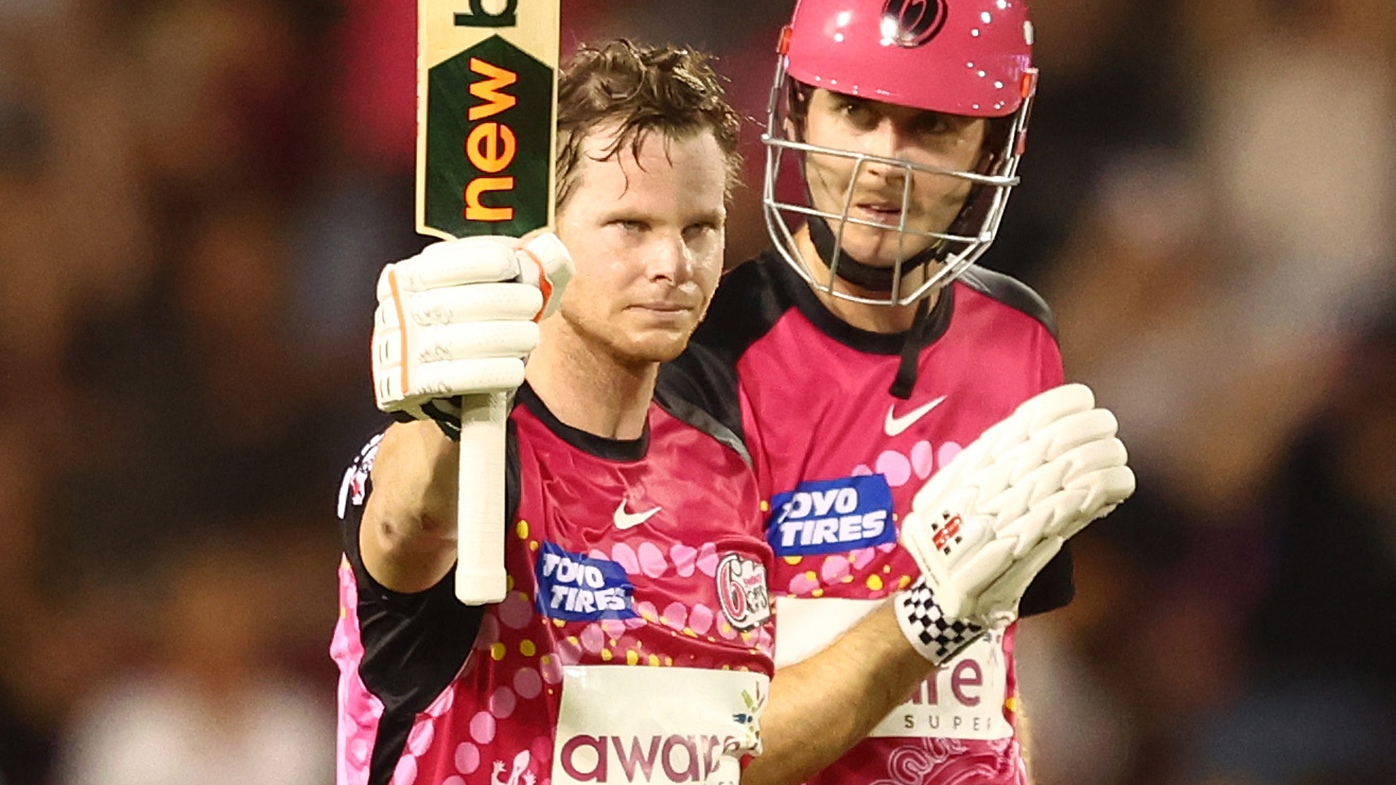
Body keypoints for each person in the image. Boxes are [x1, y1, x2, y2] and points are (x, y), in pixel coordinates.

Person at [657, 0, 1097, 782]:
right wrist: (931, 614)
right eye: (855, 111)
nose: (885, 163)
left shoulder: (1021, 336)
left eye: (932, 125)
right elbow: (702, 755)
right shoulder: (698, 359)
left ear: (995, 143)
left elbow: (996, 681)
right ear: (797, 106)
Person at [333, 42, 774, 785]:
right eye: (631, 226)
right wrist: (442, 414)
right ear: (544, 232)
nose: (674, 263)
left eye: (699, 227)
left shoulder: (724, 463)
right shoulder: (474, 450)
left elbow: (735, 751)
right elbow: (406, 521)